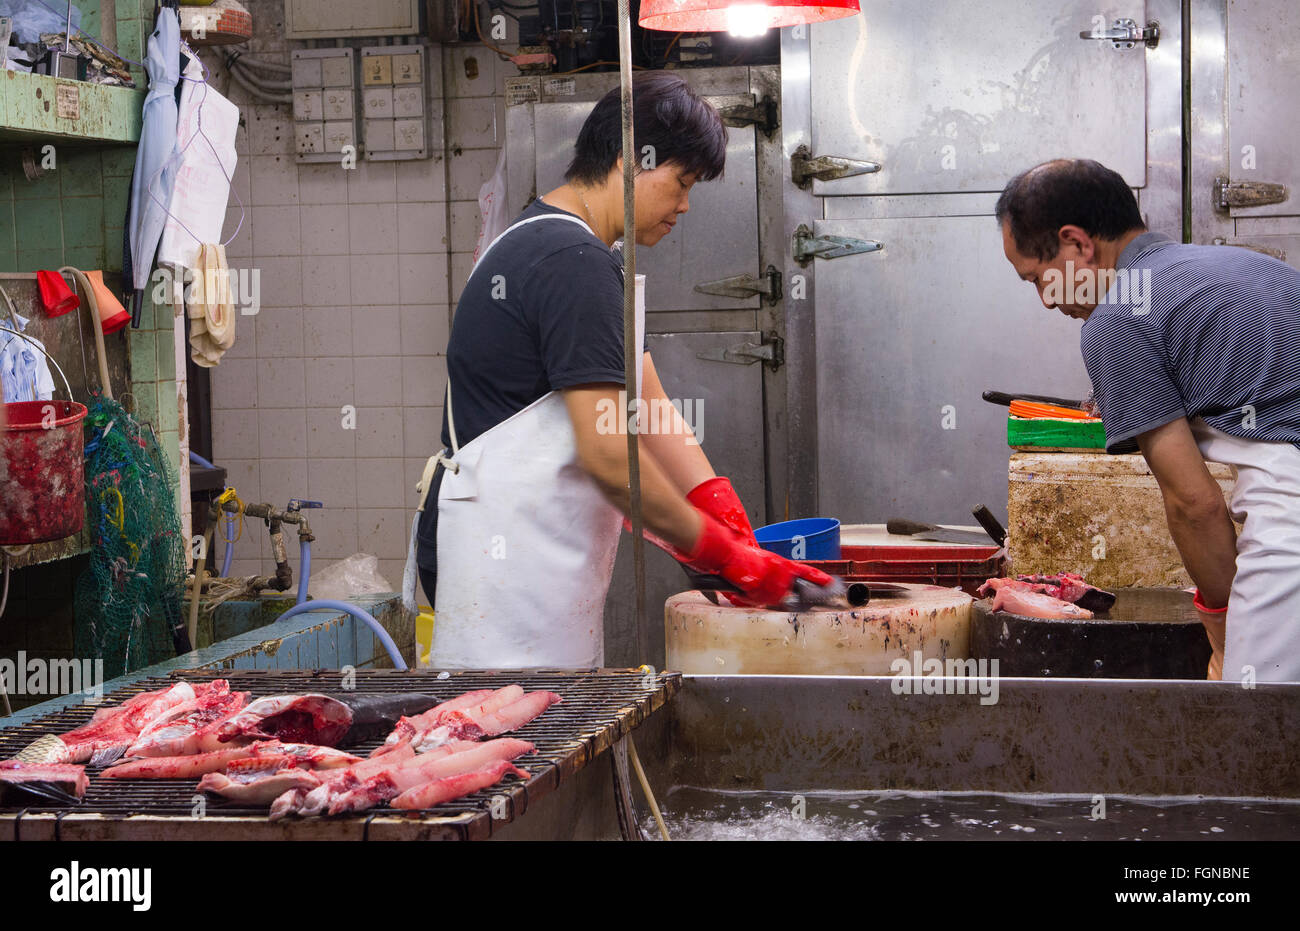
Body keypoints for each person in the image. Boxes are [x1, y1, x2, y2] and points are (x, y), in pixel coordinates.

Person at [406, 72, 830, 668]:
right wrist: (721, 553)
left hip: (535, 553)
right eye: (681, 183)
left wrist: (726, 518)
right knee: (515, 736)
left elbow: (651, 410)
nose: (684, 205)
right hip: (506, 565)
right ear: (635, 158)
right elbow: (610, 455)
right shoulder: (570, 260)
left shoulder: (567, 249)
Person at [996, 158, 1300, 682]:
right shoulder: (1252, 268)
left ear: (1076, 244)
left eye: (1039, 278)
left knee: (1260, 735)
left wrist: (1223, 631)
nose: (1046, 300)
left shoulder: (1117, 319)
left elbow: (1194, 504)